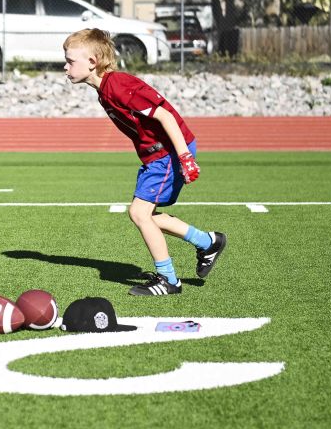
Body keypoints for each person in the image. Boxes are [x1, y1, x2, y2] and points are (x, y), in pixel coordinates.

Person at [63, 29, 226, 296]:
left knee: (139, 213)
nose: (66, 66)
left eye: (71, 61)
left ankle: (168, 280)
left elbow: (166, 117)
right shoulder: (104, 89)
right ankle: (208, 242)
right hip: (157, 156)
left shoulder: (118, 85)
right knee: (145, 215)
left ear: (92, 61)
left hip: (168, 153)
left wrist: (184, 157)